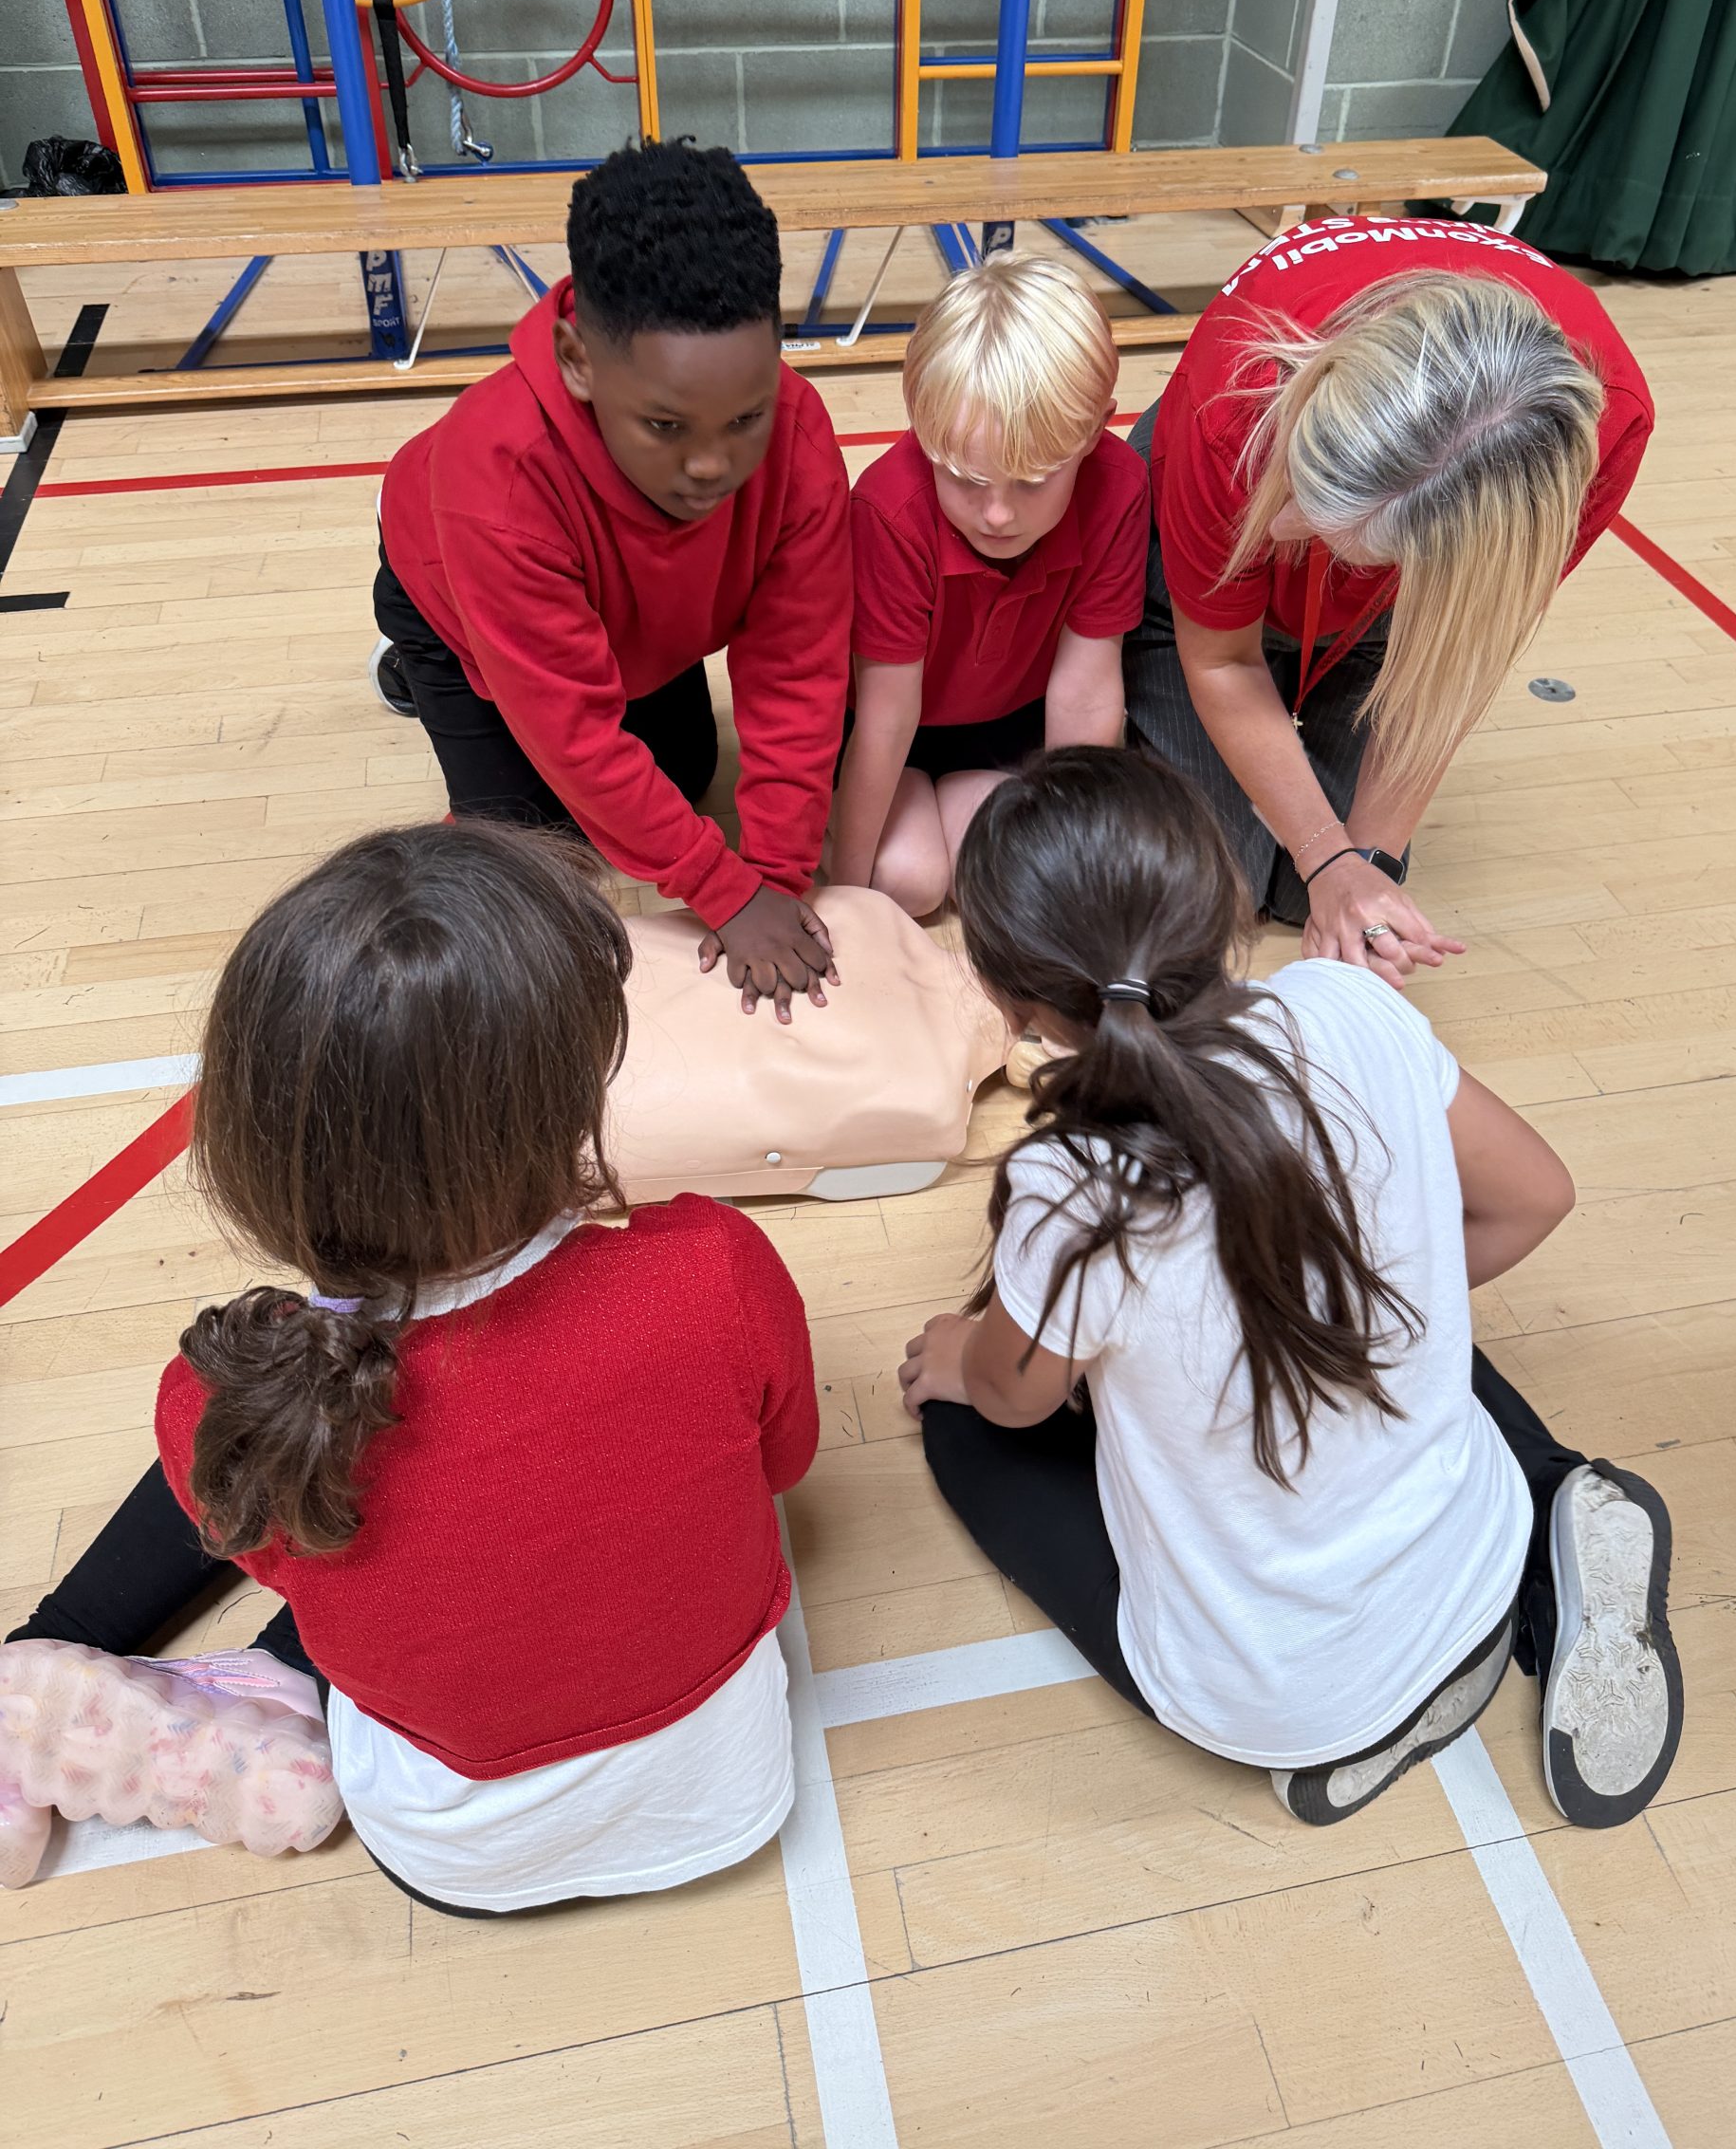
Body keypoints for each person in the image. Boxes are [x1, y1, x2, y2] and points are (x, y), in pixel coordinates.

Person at [3, 821, 819, 1912]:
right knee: (442, 1512)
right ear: (570, 1097)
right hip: (727, 1799)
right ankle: (269, 1680)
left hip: (446, 1846)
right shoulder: (713, 1270)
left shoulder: (207, 1396)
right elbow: (784, 1464)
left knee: (281, 1456)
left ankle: (59, 1655)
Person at [899, 747, 1682, 1829]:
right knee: (1382, 1279)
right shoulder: (1345, 1007)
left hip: (1274, 1703)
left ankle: (1386, 1714)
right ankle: (1543, 1537)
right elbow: (1536, 1196)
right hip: (1475, 1557)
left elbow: (1015, 1396)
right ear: (1223, 892)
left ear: (1012, 999)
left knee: (963, 1432)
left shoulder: (1070, 1182)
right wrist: (1366, 1282)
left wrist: (960, 1354)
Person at [373, 138, 854, 1021]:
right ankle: (430, 673)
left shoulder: (802, 433)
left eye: (745, 418)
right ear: (577, 359)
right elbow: (578, 739)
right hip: (451, 598)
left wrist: (777, 875)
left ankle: (557, 673)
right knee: (534, 863)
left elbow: (798, 671)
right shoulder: (500, 474)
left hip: (638, 624)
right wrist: (727, 892)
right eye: (667, 425)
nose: (713, 465)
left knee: (689, 770)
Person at [1123, 213, 1654, 988]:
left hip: (1385, 600)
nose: (1278, 528)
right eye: (1302, 488)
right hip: (1211, 527)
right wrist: (1326, 853)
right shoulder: (1235, 392)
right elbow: (1224, 659)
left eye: (1332, 533)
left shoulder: (1601, 436)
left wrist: (1360, 867)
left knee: (1311, 892)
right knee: (1219, 882)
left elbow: (1454, 658)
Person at [828, 254, 1148, 914]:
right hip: (893, 729)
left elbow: (1087, 687)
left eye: (1033, 480)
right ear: (920, 424)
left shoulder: (1119, 485)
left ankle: (960, 809)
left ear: (1095, 431)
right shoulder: (889, 509)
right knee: (907, 882)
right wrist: (848, 900)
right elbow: (887, 717)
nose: (998, 515)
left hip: (1010, 727)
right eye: (967, 480)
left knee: (1041, 874)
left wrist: (1076, 853)